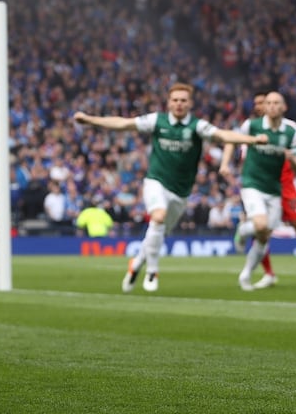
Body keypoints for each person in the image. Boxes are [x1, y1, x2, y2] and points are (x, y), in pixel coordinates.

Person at [73, 83, 267, 293]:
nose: (179, 104)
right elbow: (123, 124)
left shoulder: (197, 126)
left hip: (181, 192)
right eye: (175, 100)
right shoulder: (157, 121)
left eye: (183, 100)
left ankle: (137, 263)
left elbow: (223, 135)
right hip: (156, 181)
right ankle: (152, 271)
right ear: (168, 102)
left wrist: (252, 140)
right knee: (158, 217)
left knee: (159, 232)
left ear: (190, 103)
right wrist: (90, 120)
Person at [221, 92, 296, 289]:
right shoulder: (252, 129)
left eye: (270, 103)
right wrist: (230, 162)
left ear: (282, 106)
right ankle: (267, 274)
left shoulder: (290, 130)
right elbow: (237, 147)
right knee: (262, 229)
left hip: (283, 186)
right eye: (261, 103)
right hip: (257, 184)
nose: (264, 106)